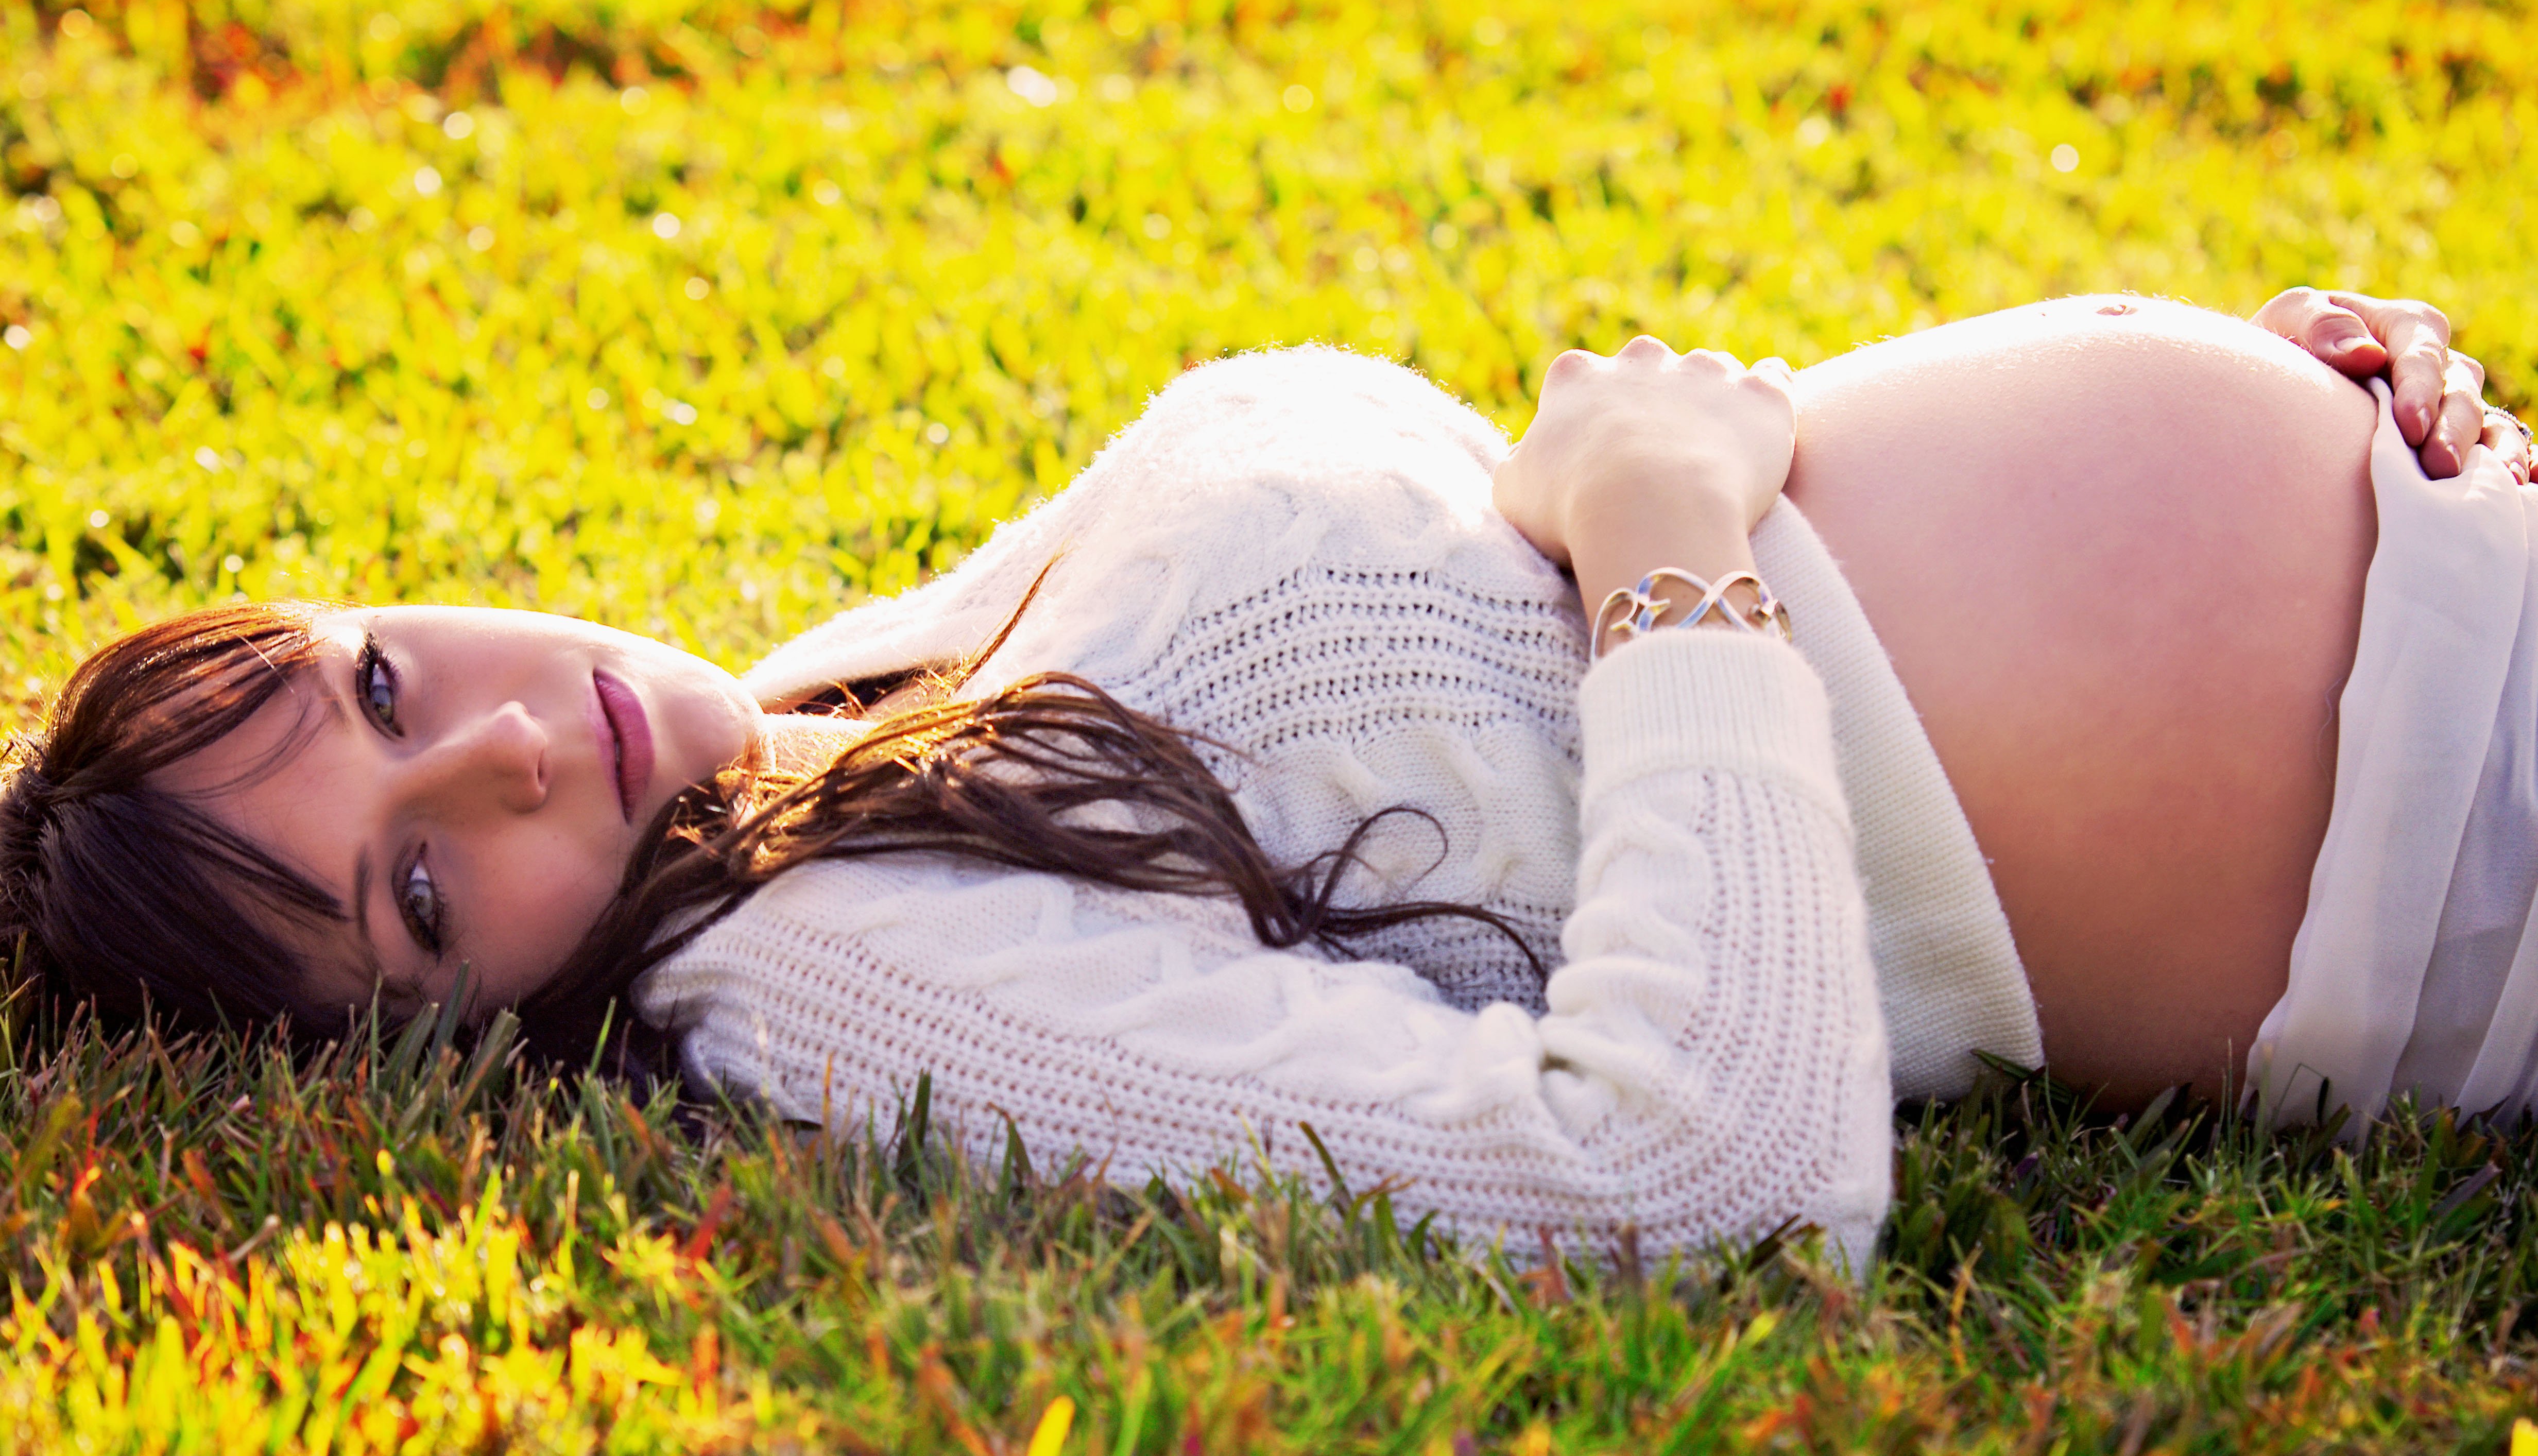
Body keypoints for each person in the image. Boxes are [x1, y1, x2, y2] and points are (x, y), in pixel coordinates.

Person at [0, 287, 2525, 1272]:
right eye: (422, 897)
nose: (504, 745)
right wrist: (1666, 551)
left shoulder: (822, 718)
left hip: (2444, 590)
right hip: (2445, 836)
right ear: (456, 1039)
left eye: (374, 684)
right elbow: (1691, 1179)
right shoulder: (830, 975)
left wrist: (2258, 401)